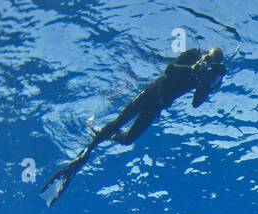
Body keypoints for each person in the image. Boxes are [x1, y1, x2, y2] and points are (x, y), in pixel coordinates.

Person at [41, 47, 226, 205]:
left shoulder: (205, 76)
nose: (206, 61)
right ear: (205, 53)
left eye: (211, 61)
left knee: (128, 139)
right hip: (150, 93)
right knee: (118, 123)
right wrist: (192, 67)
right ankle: (90, 146)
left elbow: (196, 103)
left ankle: (102, 134)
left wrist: (210, 85)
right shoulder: (192, 54)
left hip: (156, 107)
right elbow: (170, 69)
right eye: (208, 57)